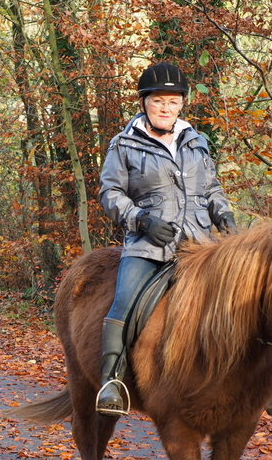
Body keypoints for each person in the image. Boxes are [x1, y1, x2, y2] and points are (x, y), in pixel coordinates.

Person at [96, 62, 235, 417]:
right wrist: (141, 219)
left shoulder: (196, 140)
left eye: (173, 102)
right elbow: (110, 193)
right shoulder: (124, 143)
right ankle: (111, 380)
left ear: (182, 105)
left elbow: (211, 187)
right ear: (144, 102)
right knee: (124, 301)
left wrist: (225, 215)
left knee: (241, 303)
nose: (165, 108)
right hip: (148, 246)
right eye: (159, 101)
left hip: (199, 246)